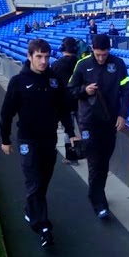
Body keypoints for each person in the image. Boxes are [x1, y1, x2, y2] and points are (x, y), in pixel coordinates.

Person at [0, 39, 78, 248]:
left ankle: (30, 210)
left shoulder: (54, 81)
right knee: (33, 181)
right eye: (39, 57)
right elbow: (7, 113)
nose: (43, 61)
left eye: (46, 57)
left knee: (42, 182)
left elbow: (63, 108)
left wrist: (71, 133)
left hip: (48, 139)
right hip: (27, 140)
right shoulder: (18, 81)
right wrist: (5, 139)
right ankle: (43, 227)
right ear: (29, 56)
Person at [67, 35, 129, 220]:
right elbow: (70, 90)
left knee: (103, 161)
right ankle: (99, 203)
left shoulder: (118, 64)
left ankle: (95, 193)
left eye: (104, 54)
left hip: (110, 121)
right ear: (93, 50)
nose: (101, 58)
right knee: (95, 160)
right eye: (98, 54)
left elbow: (127, 91)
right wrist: (84, 90)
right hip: (88, 121)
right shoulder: (82, 64)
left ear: (109, 51)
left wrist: (123, 115)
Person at [51, 37, 81, 165]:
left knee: (69, 130)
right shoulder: (82, 63)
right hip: (81, 102)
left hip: (64, 103)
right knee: (84, 130)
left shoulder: (56, 65)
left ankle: (71, 157)